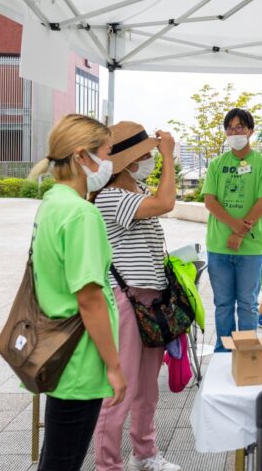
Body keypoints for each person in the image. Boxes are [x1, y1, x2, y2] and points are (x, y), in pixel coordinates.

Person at [27, 114, 126, 471]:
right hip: (80, 357)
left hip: (57, 349)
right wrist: (114, 366)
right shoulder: (82, 214)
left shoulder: (53, 203)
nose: (109, 162)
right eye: (107, 152)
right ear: (83, 157)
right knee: (63, 461)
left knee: (58, 457)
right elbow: (89, 297)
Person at [91, 121, 180, 471]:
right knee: (120, 389)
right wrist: (170, 157)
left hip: (150, 300)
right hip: (125, 301)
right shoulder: (112, 197)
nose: (153, 160)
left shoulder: (135, 192)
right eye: (147, 155)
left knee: (146, 388)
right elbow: (167, 202)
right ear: (128, 162)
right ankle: (107, 464)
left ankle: (145, 453)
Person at [202, 108, 262, 352]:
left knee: (247, 303)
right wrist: (233, 226)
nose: (234, 132)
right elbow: (210, 201)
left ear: (251, 131)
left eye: (240, 127)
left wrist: (240, 233)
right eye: (230, 127)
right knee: (223, 303)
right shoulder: (217, 164)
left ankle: (246, 354)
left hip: (250, 248)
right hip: (218, 245)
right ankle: (223, 352)